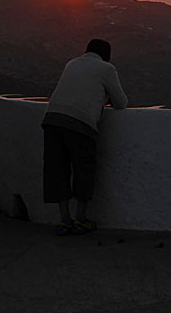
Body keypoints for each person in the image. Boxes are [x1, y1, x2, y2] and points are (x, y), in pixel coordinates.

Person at [42, 39, 128, 236]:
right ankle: (80, 220)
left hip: (52, 119)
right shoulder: (107, 68)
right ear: (107, 55)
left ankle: (64, 221)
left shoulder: (71, 63)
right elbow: (121, 103)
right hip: (80, 123)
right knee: (83, 169)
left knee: (57, 170)